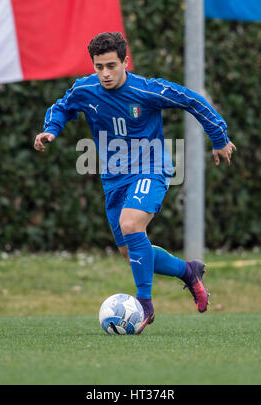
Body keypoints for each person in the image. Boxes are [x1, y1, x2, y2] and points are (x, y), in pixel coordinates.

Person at [34, 32, 236, 334]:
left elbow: (191, 100)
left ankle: (145, 305)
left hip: (152, 168)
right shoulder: (85, 89)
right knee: (131, 253)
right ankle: (188, 271)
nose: (105, 73)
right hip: (114, 179)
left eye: (111, 66)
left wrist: (219, 138)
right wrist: (50, 129)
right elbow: (63, 106)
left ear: (125, 62)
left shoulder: (147, 90)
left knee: (131, 225)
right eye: (99, 66)